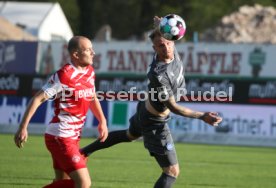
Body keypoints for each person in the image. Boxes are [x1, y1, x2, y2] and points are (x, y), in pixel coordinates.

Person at [80, 17, 223, 188]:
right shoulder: (158, 74)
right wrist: (202, 116)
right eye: (161, 46)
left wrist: (158, 25)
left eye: (168, 43)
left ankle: (84, 151)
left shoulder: (171, 47)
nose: (166, 47)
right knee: (172, 171)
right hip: (154, 122)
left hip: (144, 109)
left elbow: (167, 34)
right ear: (155, 49)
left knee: (129, 135)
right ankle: (84, 152)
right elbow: (173, 107)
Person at [14, 36, 108, 188]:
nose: (93, 53)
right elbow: (37, 99)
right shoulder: (64, 75)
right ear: (75, 55)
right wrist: (23, 127)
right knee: (83, 183)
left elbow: (92, 96)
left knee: (61, 182)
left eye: (92, 49)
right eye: (88, 50)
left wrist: (102, 121)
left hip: (72, 137)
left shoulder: (89, 72)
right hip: (60, 137)